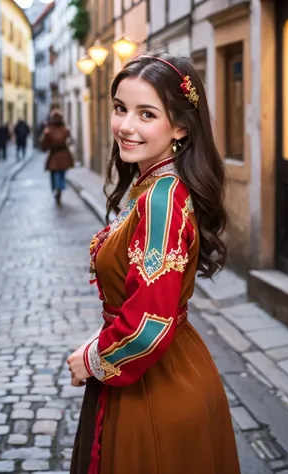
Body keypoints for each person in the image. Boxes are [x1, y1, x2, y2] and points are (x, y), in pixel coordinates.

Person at [67, 53, 241, 474]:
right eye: (120, 108)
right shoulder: (152, 186)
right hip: (156, 371)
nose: (126, 126)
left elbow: (148, 325)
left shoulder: (162, 199)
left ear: (180, 126)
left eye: (147, 114)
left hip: (155, 389)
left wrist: (90, 359)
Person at [39, 110, 74, 205]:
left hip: (54, 155)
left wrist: (45, 147)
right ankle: (59, 190)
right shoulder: (65, 129)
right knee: (61, 174)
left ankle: (57, 189)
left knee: (55, 174)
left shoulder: (48, 130)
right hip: (64, 154)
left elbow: (44, 143)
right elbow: (70, 140)